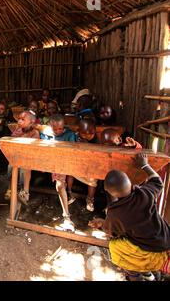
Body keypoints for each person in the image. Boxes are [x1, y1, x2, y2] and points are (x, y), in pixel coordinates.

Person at [89, 153, 170, 281]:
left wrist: (101, 223)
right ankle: (150, 273)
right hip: (165, 239)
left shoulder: (115, 214)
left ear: (108, 191)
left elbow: (112, 233)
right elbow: (157, 181)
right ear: (130, 183)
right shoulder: (145, 193)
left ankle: (135, 275)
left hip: (148, 250)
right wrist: (144, 165)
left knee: (116, 247)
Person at [40, 114, 77, 231]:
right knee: (60, 185)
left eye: (60, 128)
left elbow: (72, 151)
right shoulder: (45, 134)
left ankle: (66, 217)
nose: (58, 131)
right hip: (52, 161)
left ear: (63, 126)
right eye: (55, 129)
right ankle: (66, 216)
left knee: (60, 185)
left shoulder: (69, 135)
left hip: (65, 161)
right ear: (50, 126)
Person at [4, 110, 40, 203]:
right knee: (10, 167)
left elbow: (34, 148)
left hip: (28, 158)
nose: (19, 121)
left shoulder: (35, 132)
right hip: (16, 156)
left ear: (31, 122)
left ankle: (25, 191)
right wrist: (15, 136)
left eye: (23, 119)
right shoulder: (18, 129)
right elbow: (12, 141)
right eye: (19, 119)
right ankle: (11, 188)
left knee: (26, 170)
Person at [68, 119, 99, 211]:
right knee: (69, 171)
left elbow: (97, 155)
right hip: (77, 162)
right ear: (79, 131)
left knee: (93, 180)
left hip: (91, 165)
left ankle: (90, 199)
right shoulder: (75, 137)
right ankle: (69, 192)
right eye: (84, 134)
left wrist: (87, 144)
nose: (88, 136)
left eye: (91, 133)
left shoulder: (97, 139)